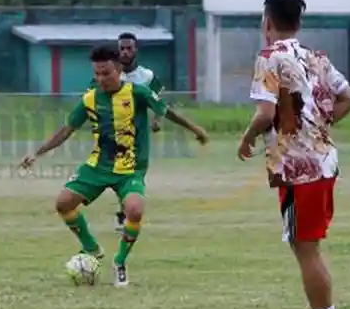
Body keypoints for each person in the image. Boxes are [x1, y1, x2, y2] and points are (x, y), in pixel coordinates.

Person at [236, 0, 350, 309]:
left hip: (297, 170)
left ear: (267, 21)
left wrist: (247, 138)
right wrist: (318, 128)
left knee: (306, 250)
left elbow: (264, 113)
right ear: (299, 23)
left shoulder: (270, 57)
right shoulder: (315, 57)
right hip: (323, 163)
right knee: (306, 247)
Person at [22, 44, 209, 287]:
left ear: (119, 69)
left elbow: (167, 111)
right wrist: (38, 152)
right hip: (98, 166)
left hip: (130, 167)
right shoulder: (89, 98)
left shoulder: (138, 93)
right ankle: (92, 249)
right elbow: (66, 129)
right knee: (63, 204)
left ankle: (119, 262)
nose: (101, 79)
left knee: (134, 210)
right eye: (97, 74)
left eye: (106, 73)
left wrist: (195, 129)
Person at [113, 32, 165, 235]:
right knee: (118, 173)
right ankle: (124, 211)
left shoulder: (147, 76)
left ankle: (125, 212)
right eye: (122, 48)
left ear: (136, 50)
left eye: (129, 48)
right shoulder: (112, 74)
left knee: (134, 173)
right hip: (115, 134)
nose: (125, 52)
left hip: (139, 134)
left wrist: (157, 119)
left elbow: (158, 98)